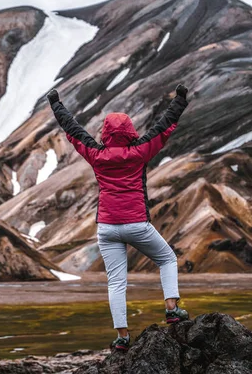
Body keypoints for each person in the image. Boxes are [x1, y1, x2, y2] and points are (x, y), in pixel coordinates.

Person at [46, 84, 190, 351]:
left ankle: (122, 337)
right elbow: (164, 126)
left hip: (107, 227)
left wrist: (56, 104)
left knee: (116, 282)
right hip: (137, 223)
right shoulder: (140, 152)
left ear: (105, 132)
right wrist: (180, 100)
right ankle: (172, 308)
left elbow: (73, 130)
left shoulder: (96, 154)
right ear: (131, 131)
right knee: (167, 259)